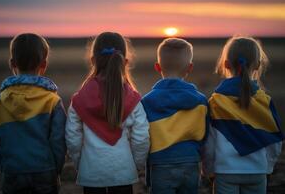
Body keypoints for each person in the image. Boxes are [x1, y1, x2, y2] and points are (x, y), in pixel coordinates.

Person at [65, 32, 150, 194]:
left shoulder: (78, 100)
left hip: (91, 173)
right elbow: (141, 138)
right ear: (125, 62)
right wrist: (136, 165)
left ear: (92, 61)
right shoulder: (133, 100)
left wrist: (79, 163)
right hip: (123, 173)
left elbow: (72, 138)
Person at [203, 36, 284, 194]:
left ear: (226, 65)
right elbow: (275, 141)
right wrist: (267, 166)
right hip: (257, 171)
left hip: (225, 172)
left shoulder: (216, 102)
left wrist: (209, 169)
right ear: (258, 65)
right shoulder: (264, 102)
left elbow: (209, 141)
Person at [0, 33, 67, 194]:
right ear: (44, 64)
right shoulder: (52, 101)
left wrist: (6, 164)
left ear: (12, 64)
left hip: (13, 170)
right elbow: (59, 142)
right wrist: (56, 170)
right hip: (45, 171)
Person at [141, 38, 208, 194]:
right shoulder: (201, 101)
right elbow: (205, 135)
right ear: (189, 68)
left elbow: (143, 136)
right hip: (190, 163)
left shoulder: (147, 101)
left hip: (160, 164)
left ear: (157, 67)